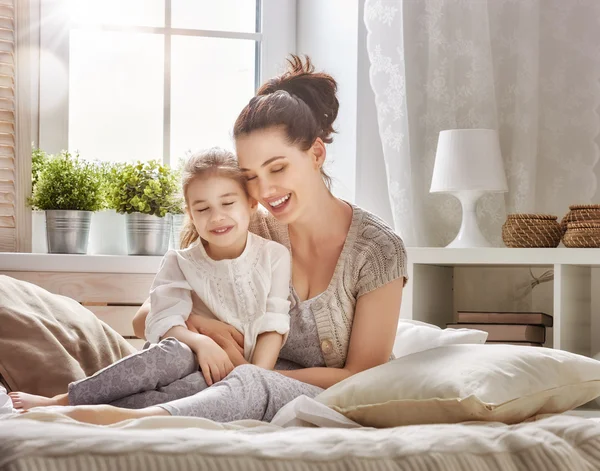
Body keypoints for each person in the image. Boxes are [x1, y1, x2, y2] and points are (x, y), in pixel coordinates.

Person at [22, 54, 408, 426]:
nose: (265, 189)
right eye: (250, 175)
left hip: (312, 395)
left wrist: (251, 372)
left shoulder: (376, 250)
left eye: (277, 168)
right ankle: (75, 409)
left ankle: (133, 420)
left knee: (247, 382)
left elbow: (362, 376)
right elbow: (145, 319)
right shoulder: (246, 226)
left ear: (317, 154)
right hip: (226, 379)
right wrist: (204, 329)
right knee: (190, 371)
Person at [9, 148, 291, 410]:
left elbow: (273, 325)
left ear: (251, 204)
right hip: (186, 351)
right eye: (203, 209)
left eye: (228, 203)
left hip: (236, 369)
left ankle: (98, 412)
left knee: (194, 389)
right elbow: (162, 319)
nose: (217, 217)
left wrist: (255, 376)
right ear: (190, 214)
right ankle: (64, 400)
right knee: (172, 354)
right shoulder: (179, 261)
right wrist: (200, 342)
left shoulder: (274, 256)